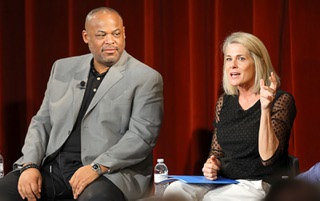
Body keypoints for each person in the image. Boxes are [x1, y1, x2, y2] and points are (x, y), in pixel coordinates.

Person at [0, 7, 163, 201]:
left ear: (124, 34)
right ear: (86, 37)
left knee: (94, 197)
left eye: (116, 34)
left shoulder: (145, 78)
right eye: (101, 35)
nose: (110, 40)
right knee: (6, 190)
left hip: (110, 173)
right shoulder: (62, 68)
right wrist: (30, 165)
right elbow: (42, 122)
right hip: (55, 168)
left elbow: (142, 137)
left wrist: (97, 167)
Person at [163, 32, 296, 201]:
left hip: (259, 183)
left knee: (212, 199)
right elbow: (217, 153)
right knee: (175, 191)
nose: (232, 65)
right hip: (224, 181)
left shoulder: (280, 100)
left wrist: (265, 108)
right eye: (228, 59)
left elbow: (268, 158)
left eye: (240, 58)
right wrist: (212, 165)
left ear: (257, 63)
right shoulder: (225, 102)